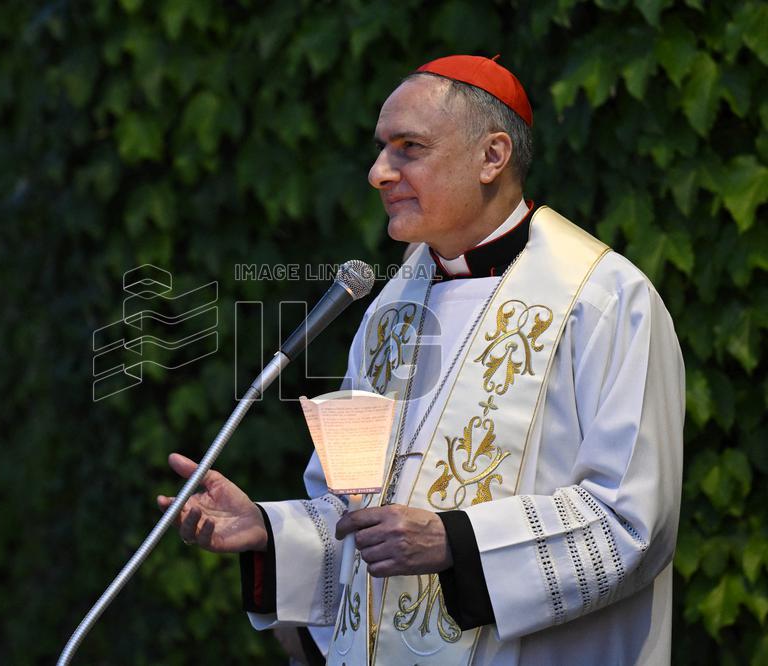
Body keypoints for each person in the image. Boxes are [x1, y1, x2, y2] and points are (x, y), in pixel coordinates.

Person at [157, 54, 684, 665]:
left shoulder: (604, 301)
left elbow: (633, 521)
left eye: (409, 147)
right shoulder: (389, 310)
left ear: (493, 157)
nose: (379, 172)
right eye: (381, 148)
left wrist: (455, 540)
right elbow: (356, 513)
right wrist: (269, 532)